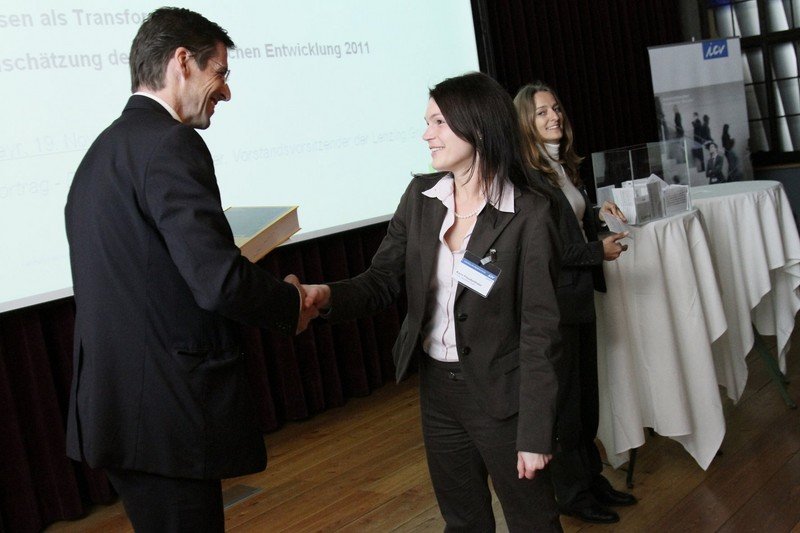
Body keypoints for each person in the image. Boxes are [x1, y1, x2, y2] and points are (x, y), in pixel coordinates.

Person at [64, 8, 317, 531]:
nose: (227, 91)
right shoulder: (171, 144)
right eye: (220, 72)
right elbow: (217, 281)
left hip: (117, 410)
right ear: (182, 61)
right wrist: (290, 304)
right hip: (166, 413)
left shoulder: (101, 152)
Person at [302, 72, 564, 531]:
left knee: (533, 521)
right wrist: (326, 296)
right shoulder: (422, 199)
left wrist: (535, 432)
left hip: (504, 395)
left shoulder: (529, 214)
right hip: (438, 389)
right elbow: (381, 280)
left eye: (439, 122)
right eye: (428, 123)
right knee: (461, 520)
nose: (427, 134)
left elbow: (540, 331)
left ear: (477, 125)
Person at [514, 81, 637, 525]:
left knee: (586, 402)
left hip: (578, 298)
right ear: (525, 122)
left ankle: (591, 480)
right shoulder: (526, 178)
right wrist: (596, 251)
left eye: (556, 108)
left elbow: (570, 225)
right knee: (565, 407)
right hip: (554, 307)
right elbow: (543, 250)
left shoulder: (560, 166)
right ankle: (571, 493)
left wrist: (598, 214)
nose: (554, 117)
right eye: (542, 112)